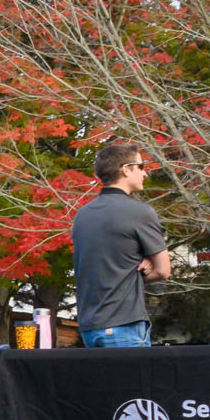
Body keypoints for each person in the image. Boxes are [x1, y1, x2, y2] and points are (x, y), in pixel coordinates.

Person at [67, 141, 170, 347]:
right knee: (133, 381)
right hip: (124, 326)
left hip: (89, 327)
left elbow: (104, 266)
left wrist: (134, 264)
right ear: (126, 170)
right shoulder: (140, 212)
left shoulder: (82, 215)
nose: (145, 174)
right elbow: (163, 270)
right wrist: (139, 270)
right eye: (141, 166)